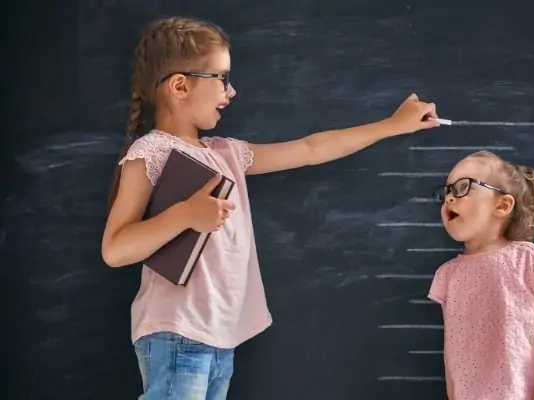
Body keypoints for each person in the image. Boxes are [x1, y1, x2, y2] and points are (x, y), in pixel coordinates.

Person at [100, 16, 440, 400]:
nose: (231, 92)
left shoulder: (226, 153)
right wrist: (185, 215)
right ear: (181, 85)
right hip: (178, 331)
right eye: (222, 79)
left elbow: (312, 149)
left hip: (219, 337)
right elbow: (116, 248)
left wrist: (392, 125)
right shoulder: (152, 152)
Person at [427, 150, 534, 400]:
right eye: (446, 191)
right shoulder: (447, 275)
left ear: (502, 205)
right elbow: (451, 348)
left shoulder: (528, 259)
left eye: (462, 188)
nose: (449, 198)